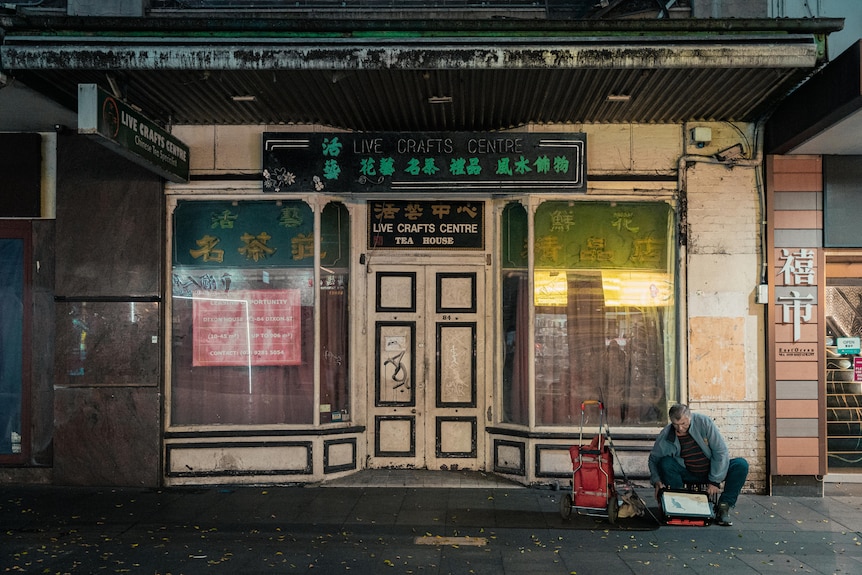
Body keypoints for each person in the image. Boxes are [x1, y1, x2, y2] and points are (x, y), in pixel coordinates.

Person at [648, 404, 749, 526]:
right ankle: (679, 504)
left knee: (740, 465)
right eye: (676, 424)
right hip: (688, 472)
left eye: (683, 424)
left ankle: (723, 507)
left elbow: (720, 451)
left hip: (711, 470)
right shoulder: (666, 434)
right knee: (665, 463)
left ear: (690, 417)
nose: (680, 428)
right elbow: (654, 459)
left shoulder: (703, 422)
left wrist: (715, 480)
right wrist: (656, 480)